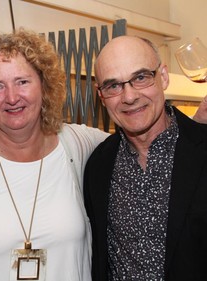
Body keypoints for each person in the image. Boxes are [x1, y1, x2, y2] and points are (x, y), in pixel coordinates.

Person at [0, 30, 109, 281]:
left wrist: (195, 127)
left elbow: (147, 142)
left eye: (22, 82)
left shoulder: (81, 145)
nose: (11, 98)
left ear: (44, 86)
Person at [84, 35, 207, 281]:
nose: (129, 96)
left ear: (163, 76)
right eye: (113, 86)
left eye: (140, 77)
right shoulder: (98, 164)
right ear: (101, 96)